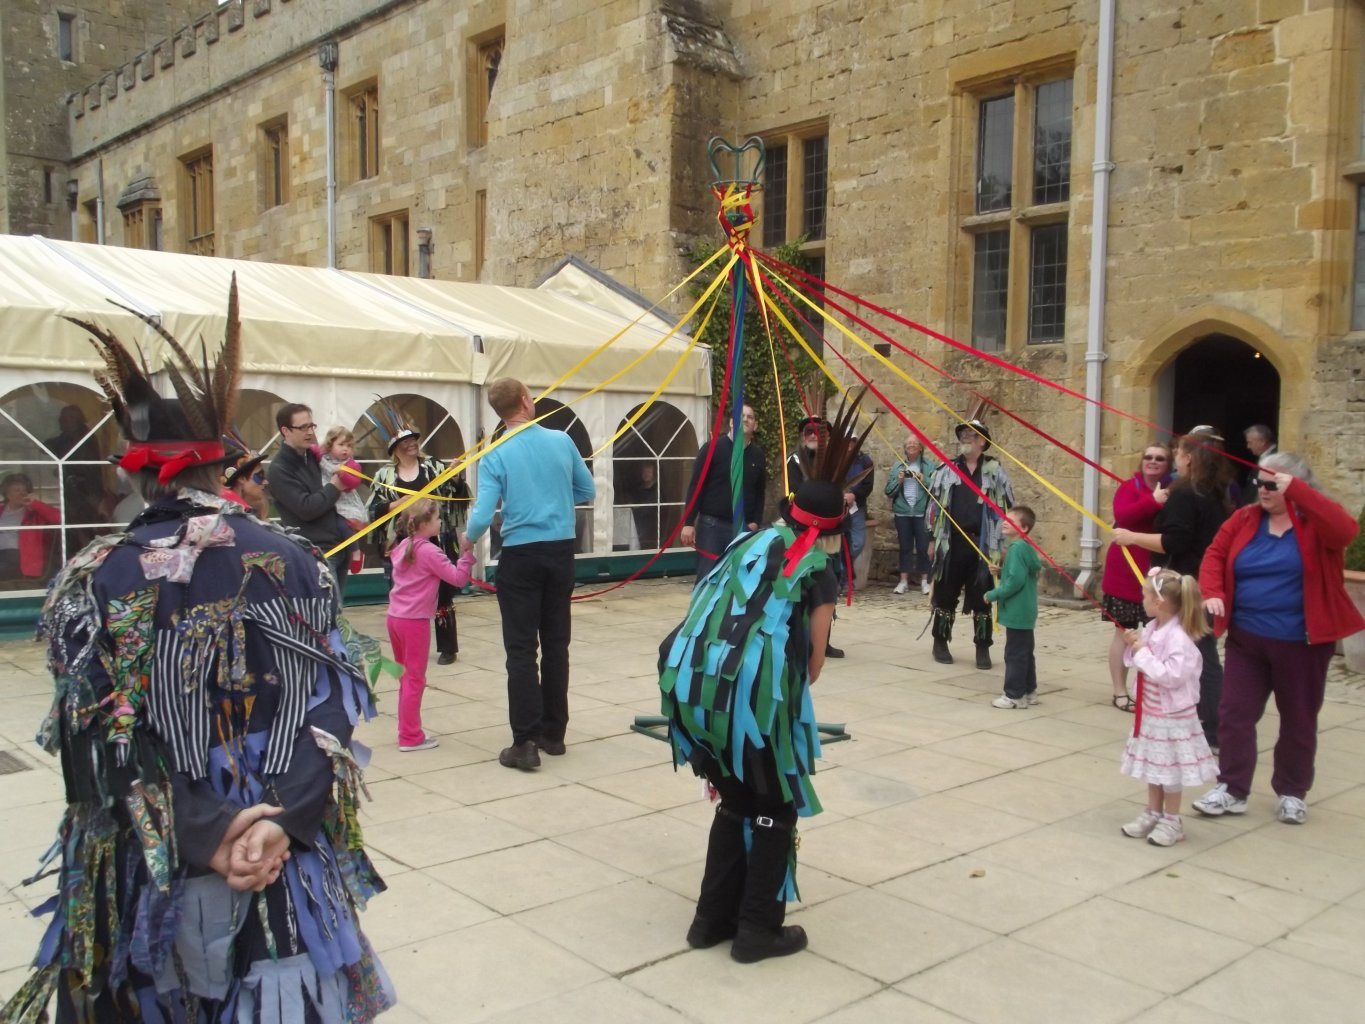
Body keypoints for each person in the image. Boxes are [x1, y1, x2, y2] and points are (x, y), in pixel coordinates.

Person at [4, 285, 395, 1022]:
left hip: (152, 872)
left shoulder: (91, 578)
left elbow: (95, 738)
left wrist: (205, 833)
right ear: (226, 467)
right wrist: (280, 823)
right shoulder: (299, 561)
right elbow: (336, 708)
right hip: (282, 857)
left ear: (132, 471)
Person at [659, 391, 869, 964]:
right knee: (775, 805)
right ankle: (756, 930)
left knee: (733, 799)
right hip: (748, 701)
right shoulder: (817, 568)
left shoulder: (750, 541)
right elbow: (816, 663)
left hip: (694, 691)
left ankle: (709, 921)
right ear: (832, 532)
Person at [1193, 452, 1365, 825]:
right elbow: (1214, 555)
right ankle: (1232, 788)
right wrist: (1213, 591)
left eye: (1273, 483)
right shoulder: (1244, 519)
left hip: (1301, 642)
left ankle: (1291, 791)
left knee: (1298, 720)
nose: (1263, 489)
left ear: (1295, 486)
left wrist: (1301, 494)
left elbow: (1346, 531)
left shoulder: (1316, 522)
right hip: (1247, 639)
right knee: (1234, 713)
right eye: (1259, 482)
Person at [466, 377, 595, 771]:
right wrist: (554, 499)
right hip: (559, 551)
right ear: (526, 401)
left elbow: (484, 514)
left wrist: (467, 541)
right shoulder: (561, 441)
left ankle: (525, 741)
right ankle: (554, 733)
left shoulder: (495, 452)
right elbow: (586, 489)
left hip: (520, 554)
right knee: (557, 642)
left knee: (521, 649)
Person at [1111, 428, 1232, 747]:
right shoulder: (1216, 492)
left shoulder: (1186, 492)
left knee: (1200, 655)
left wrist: (1132, 537)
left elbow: (1175, 540)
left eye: (1177, 453)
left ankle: (1210, 730)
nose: (1174, 458)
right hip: (1204, 583)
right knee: (1201, 655)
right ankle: (1206, 724)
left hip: (1187, 586)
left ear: (1188, 458)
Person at [1119, 568, 1219, 847]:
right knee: (1155, 767)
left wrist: (1142, 651)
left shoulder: (1180, 639)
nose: (1142, 601)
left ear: (1159, 602)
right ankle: (1153, 812)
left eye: (1144, 596)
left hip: (1172, 718)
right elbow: (1139, 661)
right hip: (1152, 715)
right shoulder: (1153, 628)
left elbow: (1170, 676)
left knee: (1170, 772)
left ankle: (1172, 820)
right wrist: (1134, 646)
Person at [368, 424, 470, 664]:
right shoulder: (385, 475)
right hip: (402, 543)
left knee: (443, 593)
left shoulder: (433, 467)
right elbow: (373, 507)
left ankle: (448, 647)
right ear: (395, 448)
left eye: (414, 438)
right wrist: (398, 504)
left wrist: (455, 478)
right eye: (406, 440)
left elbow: (455, 495)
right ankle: (405, 644)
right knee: (403, 592)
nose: (413, 443)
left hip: (436, 539)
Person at [387, 498, 477, 753]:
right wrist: (466, 554)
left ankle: (406, 730)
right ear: (425, 523)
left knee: (405, 677)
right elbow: (458, 579)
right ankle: (410, 736)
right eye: (437, 519)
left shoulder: (404, 546)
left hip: (395, 618)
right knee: (414, 678)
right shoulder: (429, 551)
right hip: (414, 622)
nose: (440, 522)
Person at [927, 419, 1014, 668]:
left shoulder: (995, 471)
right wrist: (933, 539)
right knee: (945, 593)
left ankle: (983, 649)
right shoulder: (947, 469)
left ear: (982, 442)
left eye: (971, 434)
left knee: (983, 596)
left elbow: (1006, 508)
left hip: (985, 545)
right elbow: (934, 507)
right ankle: (940, 642)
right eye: (963, 434)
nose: (965, 438)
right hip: (951, 543)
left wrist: (1006, 542)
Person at [1100, 443, 1172, 711]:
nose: (1153, 461)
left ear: (1168, 464)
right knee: (1124, 631)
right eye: (1148, 457)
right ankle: (1119, 691)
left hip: (1159, 573)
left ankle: (1152, 690)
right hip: (1126, 570)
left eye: (1160, 458)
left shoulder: (1174, 490)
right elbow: (1123, 517)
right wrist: (1154, 502)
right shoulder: (1129, 487)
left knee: (1159, 635)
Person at [268, 403, 353, 595]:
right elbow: (306, 508)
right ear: (285, 431)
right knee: (329, 614)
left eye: (311, 426)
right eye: (303, 427)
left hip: (339, 546)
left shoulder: (315, 457)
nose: (309, 432)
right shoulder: (279, 469)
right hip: (314, 552)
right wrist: (334, 487)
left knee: (336, 613)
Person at [680, 404, 766, 581]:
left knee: (738, 580)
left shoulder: (758, 456)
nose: (745, 419)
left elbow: (759, 492)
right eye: (741, 416)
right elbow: (696, 485)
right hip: (713, 526)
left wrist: (755, 521)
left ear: (755, 426)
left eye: (750, 417)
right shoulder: (712, 449)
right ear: (732, 422)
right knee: (708, 578)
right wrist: (688, 522)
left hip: (743, 528)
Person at [986, 506, 1041, 709]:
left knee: (1015, 653)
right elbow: (1021, 573)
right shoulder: (1024, 547)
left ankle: (1014, 695)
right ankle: (1029, 691)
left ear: (1024, 528)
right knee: (1025, 651)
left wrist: (992, 595)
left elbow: (1015, 583)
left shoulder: (1016, 549)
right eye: (1004, 518)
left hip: (1018, 611)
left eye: (1011, 520)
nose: (1005, 522)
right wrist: (1001, 570)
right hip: (1026, 611)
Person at [885, 434, 939, 594]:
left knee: (923, 547)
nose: (911, 445)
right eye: (908, 443)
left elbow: (937, 488)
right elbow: (888, 491)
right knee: (905, 547)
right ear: (905, 448)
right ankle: (903, 581)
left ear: (920, 447)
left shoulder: (930, 466)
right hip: (902, 513)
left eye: (914, 443)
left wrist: (924, 479)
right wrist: (899, 481)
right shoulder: (897, 466)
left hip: (922, 512)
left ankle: (925, 581)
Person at [0, 472, 61, 585]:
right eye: (17, 490)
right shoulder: (1, 510)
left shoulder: (34, 512)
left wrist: (35, 504)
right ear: (7, 494)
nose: (22, 493)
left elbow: (59, 518)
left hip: (19, 556)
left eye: (25, 490)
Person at [222, 442, 270, 520]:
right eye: (260, 476)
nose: (265, 482)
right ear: (242, 479)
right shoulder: (230, 517)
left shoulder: (250, 511)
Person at [1241, 424, 1276, 504]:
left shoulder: (1274, 459)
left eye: (1250, 442)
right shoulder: (1264, 456)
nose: (1248, 446)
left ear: (1262, 442)